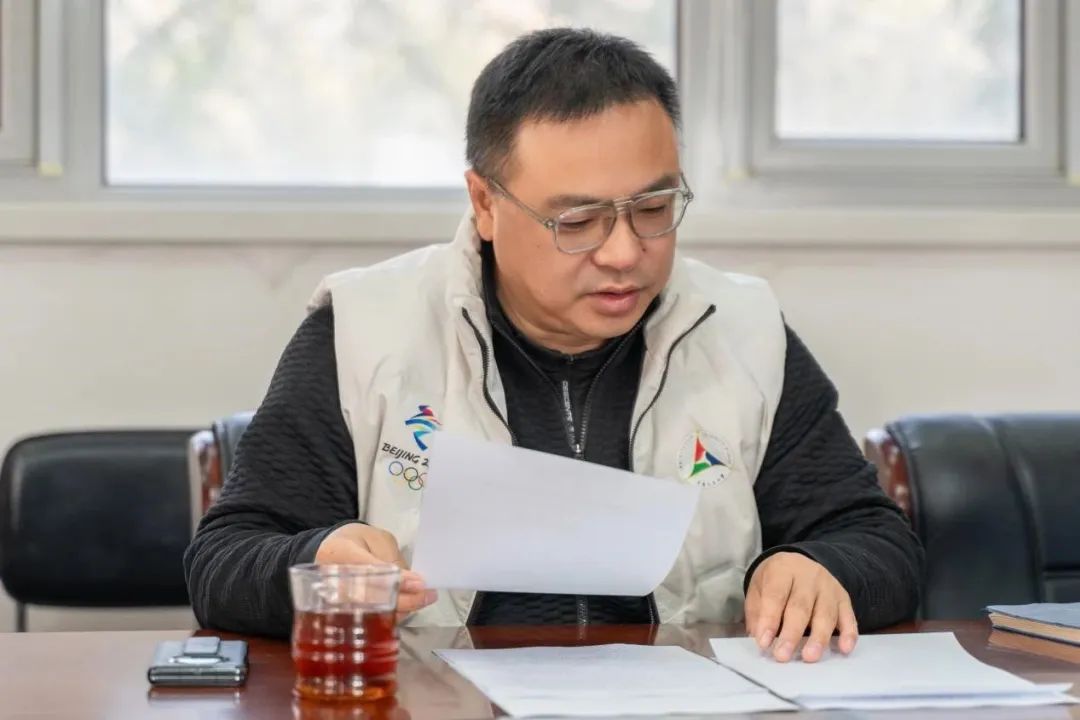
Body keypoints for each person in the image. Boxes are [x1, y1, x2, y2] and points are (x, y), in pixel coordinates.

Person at [184, 28, 922, 663]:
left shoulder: (741, 328)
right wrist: (316, 562)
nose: (624, 253)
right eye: (578, 222)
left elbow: (876, 540)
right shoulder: (363, 329)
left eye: (655, 207)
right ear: (484, 204)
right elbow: (224, 559)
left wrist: (817, 567)